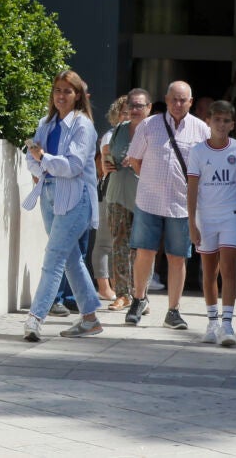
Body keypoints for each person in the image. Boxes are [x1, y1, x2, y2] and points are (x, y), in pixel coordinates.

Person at [22, 71, 104, 341]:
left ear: (78, 95)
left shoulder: (83, 126)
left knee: (54, 256)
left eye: (67, 91)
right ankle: (90, 318)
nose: (61, 95)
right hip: (49, 194)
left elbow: (74, 166)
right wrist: (42, 161)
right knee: (70, 258)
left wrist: (44, 159)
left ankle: (35, 318)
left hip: (75, 198)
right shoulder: (46, 123)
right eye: (57, 90)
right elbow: (31, 160)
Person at [126, 81, 211, 329]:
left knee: (177, 257)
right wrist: (151, 180)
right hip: (148, 201)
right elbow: (135, 159)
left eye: (183, 100)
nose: (177, 104)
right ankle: (138, 299)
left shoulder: (201, 130)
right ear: (166, 99)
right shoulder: (149, 125)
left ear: (191, 102)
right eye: (173, 99)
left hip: (182, 205)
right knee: (144, 252)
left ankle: (173, 311)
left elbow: (206, 168)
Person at [186, 101, 236, 347]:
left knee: (228, 269)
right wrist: (191, 223)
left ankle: (227, 324)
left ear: (233, 124)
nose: (221, 125)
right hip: (205, 217)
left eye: (226, 121)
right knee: (209, 270)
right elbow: (192, 189)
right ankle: (212, 322)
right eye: (217, 120)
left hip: (230, 216)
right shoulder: (197, 151)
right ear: (208, 122)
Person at [104, 88, 150, 311]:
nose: (135, 110)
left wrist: (137, 162)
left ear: (149, 108)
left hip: (144, 198)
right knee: (119, 246)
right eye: (132, 105)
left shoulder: (154, 131)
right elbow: (106, 155)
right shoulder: (119, 130)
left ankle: (141, 295)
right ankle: (122, 295)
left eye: (140, 106)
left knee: (142, 249)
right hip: (117, 194)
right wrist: (106, 163)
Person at [93, 95, 127, 303]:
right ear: (116, 114)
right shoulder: (110, 136)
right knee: (105, 243)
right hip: (110, 192)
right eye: (124, 112)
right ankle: (104, 287)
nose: (128, 116)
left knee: (121, 244)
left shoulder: (137, 136)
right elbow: (108, 165)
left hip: (128, 195)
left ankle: (120, 287)